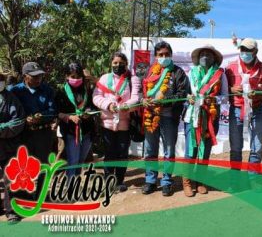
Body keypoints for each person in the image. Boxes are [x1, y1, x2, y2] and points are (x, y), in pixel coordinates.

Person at [141, 41, 188, 196]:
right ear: (156, 56)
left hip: (169, 117)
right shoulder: (150, 72)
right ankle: (150, 180)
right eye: (160, 55)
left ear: (171, 55)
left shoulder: (178, 72)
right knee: (150, 150)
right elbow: (144, 91)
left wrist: (165, 101)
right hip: (151, 115)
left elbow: (182, 95)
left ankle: (167, 181)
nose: (163, 57)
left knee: (168, 151)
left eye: (166, 54)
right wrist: (144, 99)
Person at [93, 52, 141, 193]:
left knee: (122, 153)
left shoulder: (133, 79)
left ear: (126, 64)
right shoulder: (104, 78)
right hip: (107, 123)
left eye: (121, 63)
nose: (117, 65)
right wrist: (108, 104)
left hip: (124, 124)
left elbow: (136, 98)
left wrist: (122, 106)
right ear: (111, 64)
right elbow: (96, 96)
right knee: (109, 153)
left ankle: (120, 180)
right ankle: (109, 180)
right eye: (115, 63)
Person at [225, 38, 262, 173]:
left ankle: (253, 178)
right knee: (235, 147)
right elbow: (223, 89)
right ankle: (235, 178)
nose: (244, 52)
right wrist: (231, 89)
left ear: (256, 51)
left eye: (248, 50)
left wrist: (258, 94)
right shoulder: (231, 67)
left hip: (256, 109)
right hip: (236, 110)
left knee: (257, 147)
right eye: (242, 49)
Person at [182, 45, 226, 197]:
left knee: (205, 150)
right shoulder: (191, 73)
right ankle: (187, 182)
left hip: (210, 117)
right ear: (198, 57)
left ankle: (200, 181)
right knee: (191, 149)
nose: (205, 56)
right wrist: (189, 97)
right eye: (203, 54)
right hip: (192, 116)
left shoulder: (220, 74)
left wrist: (214, 98)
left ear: (214, 58)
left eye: (209, 54)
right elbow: (185, 93)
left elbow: (226, 97)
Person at [11, 62, 57, 198]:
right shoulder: (16, 91)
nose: (38, 79)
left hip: (43, 133)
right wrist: (25, 119)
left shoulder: (47, 90)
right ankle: (25, 195)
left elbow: (53, 111)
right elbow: (12, 112)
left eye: (40, 76)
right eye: (34, 77)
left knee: (43, 164)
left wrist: (41, 117)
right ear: (25, 76)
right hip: (24, 134)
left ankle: (42, 193)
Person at [56, 63, 96, 177]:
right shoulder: (61, 92)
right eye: (73, 76)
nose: (76, 79)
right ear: (66, 76)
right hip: (71, 132)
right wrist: (68, 117)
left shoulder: (87, 90)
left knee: (80, 161)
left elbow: (93, 105)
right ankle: (70, 189)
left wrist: (89, 111)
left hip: (87, 130)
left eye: (78, 76)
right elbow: (56, 112)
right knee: (73, 161)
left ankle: (75, 185)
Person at [0, 72, 25, 223]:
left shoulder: (11, 99)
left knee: (10, 178)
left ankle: (12, 211)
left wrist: (1, 128)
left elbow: (18, 121)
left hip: (8, 145)